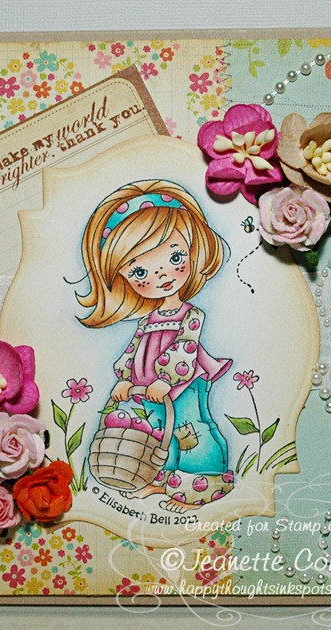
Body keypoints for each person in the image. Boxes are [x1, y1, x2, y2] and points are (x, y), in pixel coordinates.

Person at [80, 179, 234, 512]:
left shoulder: (190, 314)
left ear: (194, 249)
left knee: (190, 430)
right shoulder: (147, 319)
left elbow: (186, 347)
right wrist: (125, 378)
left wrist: (168, 379)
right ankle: (162, 481)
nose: (162, 275)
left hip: (184, 383)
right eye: (139, 272)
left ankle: (201, 484)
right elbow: (134, 350)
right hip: (148, 387)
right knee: (157, 431)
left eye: (176, 256)